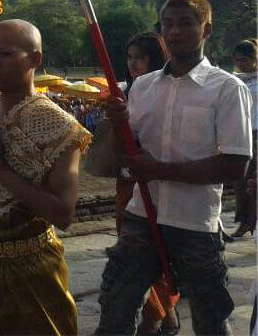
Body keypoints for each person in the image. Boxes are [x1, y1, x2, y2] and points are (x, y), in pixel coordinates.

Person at [96, 0, 253, 335]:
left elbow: (234, 166)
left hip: (195, 224)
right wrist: (117, 123)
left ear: (205, 29)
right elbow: (127, 155)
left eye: (185, 23)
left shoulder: (227, 89)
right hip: (142, 216)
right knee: (114, 309)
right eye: (168, 23)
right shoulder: (143, 87)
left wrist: (159, 170)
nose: (175, 31)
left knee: (211, 320)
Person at [0, 20, 91, 334]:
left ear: (35, 60)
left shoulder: (61, 127)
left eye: (5, 54)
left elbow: (63, 214)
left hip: (33, 266)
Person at [112, 33, 178, 334]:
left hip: (158, 184)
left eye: (140, 57)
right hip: (127, 184)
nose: (133, 63)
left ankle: (156, 316)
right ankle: (164, 313)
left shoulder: (167, 91)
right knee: (132, 255)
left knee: (160, 256)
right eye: (129, 57)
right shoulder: (124, 91)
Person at [232, 38, 257, 238]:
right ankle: (243, 222)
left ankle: (252, 221)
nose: (242, 64)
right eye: (238, 60)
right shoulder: (234, 80)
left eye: (245, 60)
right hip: (242, 133)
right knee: (240, 181)